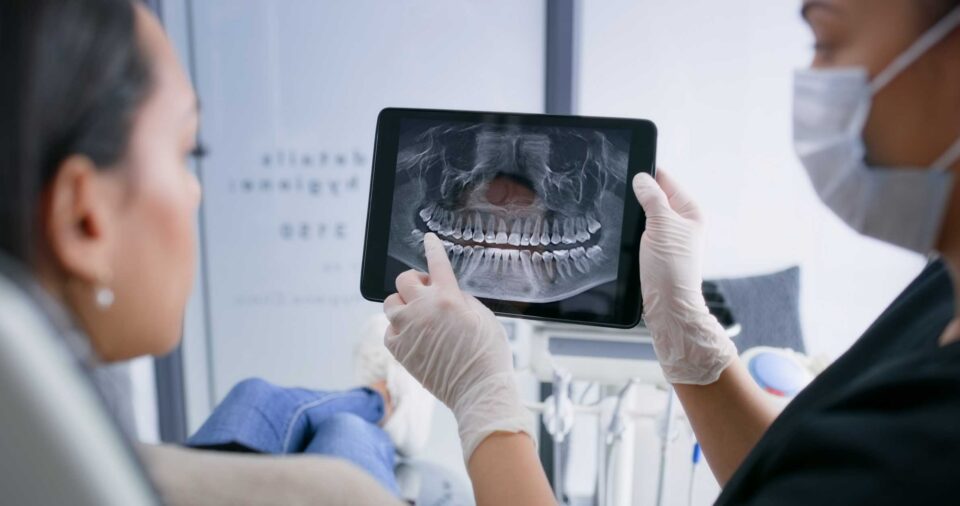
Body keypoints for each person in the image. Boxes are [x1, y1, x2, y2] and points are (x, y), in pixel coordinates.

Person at [383, 0, 960, 504]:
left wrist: (484, 407)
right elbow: (813, 481)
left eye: (825, 40)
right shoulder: (943, 291)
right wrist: (689, 336)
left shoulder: (926, 450)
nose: (813, 76)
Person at [0, 1, 419, 504]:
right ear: (82, 219)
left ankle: (377, 395)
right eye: (186, 151)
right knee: (348, 436)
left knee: (256, 396)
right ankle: (380, 403)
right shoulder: (337, 495)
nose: (195, 191)